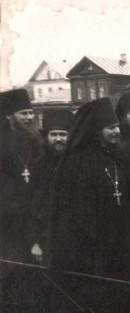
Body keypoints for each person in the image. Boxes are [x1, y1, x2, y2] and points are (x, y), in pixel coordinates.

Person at [50, 97, 130, 313]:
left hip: (124, 242)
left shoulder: (118, 157)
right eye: (110, 128)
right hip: (95, 246)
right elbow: (73, 212)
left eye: (117, 126)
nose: (117, 131)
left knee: (126, 294)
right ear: (95, 130)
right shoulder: (77, 163)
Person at [0, 89, 43, 313]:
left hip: (32, 220)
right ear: (9, 116)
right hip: (8, 224)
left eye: (30, 112)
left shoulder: (35, 141)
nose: (28, 117)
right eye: (22, 113)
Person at [30, 109, 74, 266]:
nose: (58, 139)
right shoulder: (39, 165)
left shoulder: (78, 164)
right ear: (46, 137)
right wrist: (35, 241)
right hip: (46, 239)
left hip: (74, 239)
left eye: (63, 134)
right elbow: (33, 207)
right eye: (53, 134)